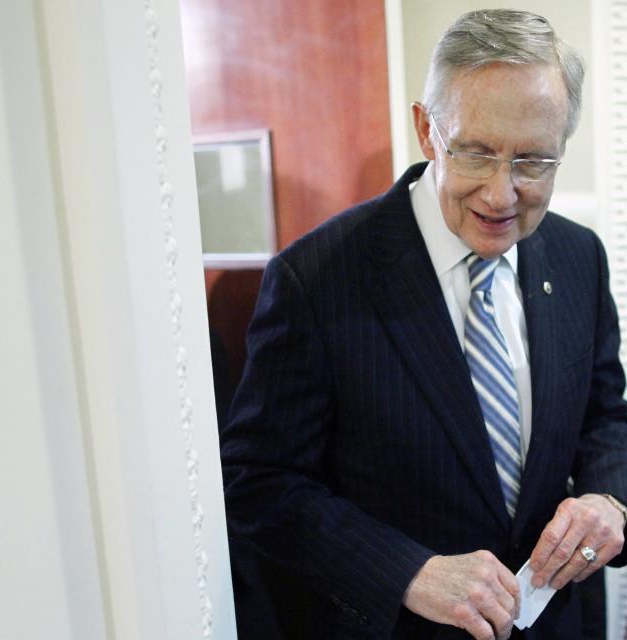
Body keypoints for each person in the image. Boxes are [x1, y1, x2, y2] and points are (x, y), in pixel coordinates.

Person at [220, 9, 627, 639]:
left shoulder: (579, 257)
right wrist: (407, 572)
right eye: (476, 152)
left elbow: (606, 418)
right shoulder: (319, 277)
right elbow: (259, 483)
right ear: (425, 130)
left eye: (533, 162)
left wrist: (608, 499)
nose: (501, 194)